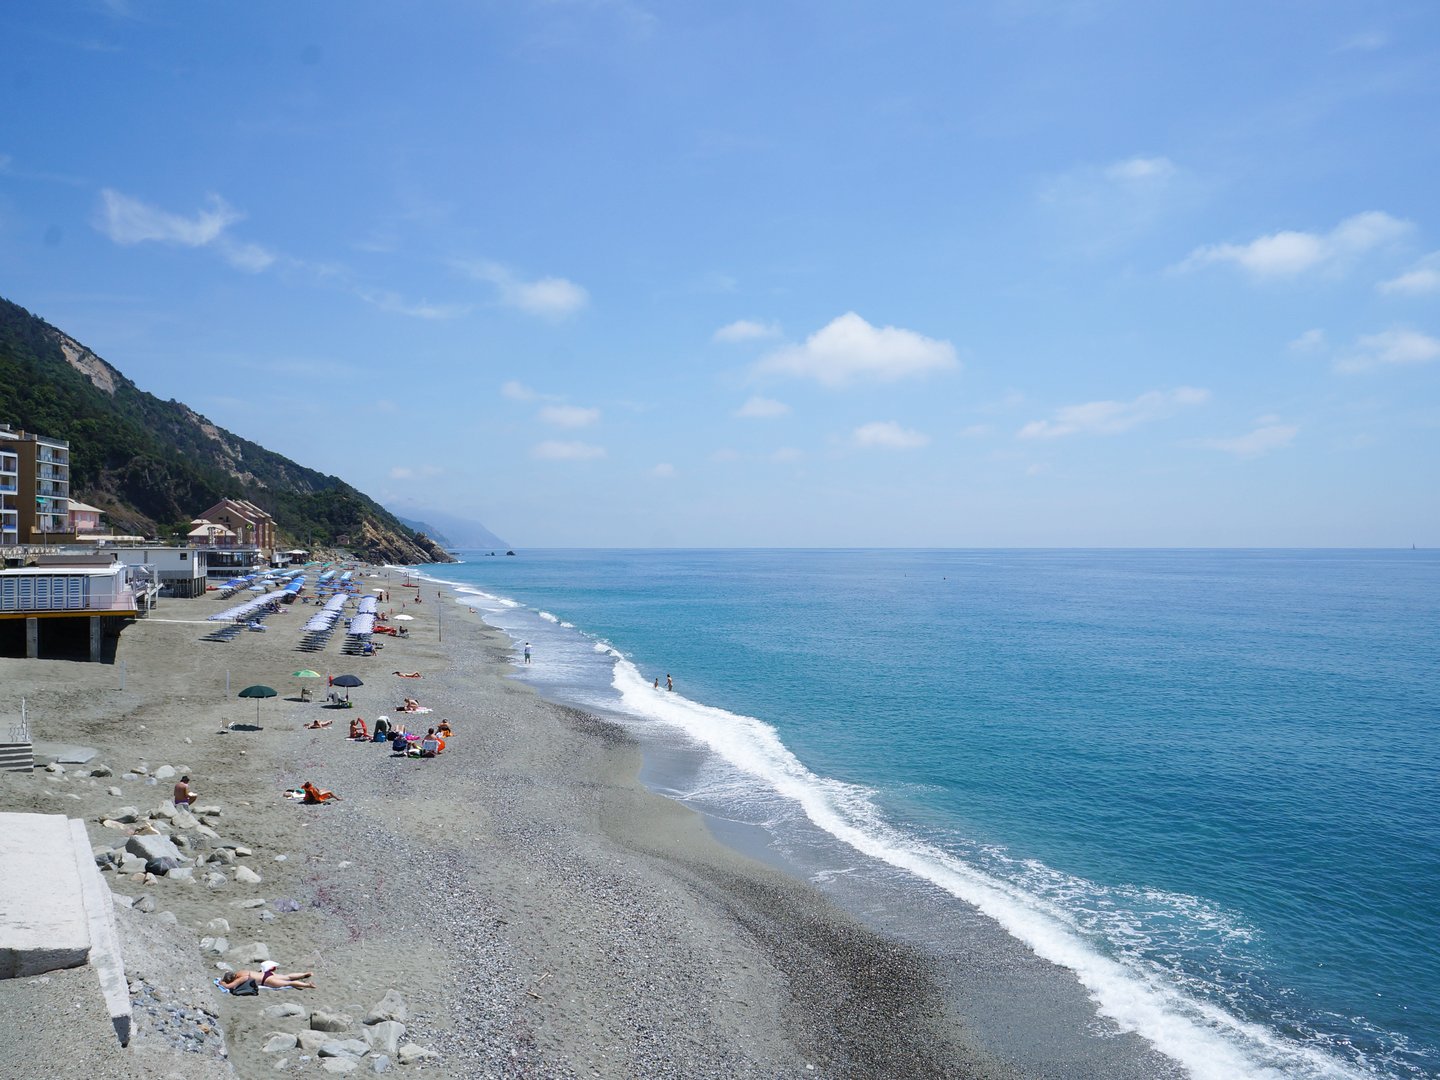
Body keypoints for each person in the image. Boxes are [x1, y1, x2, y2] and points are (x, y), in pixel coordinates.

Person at [221, 961, 314, 991]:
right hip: (267, 974)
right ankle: (305, 974)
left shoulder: (241, 978)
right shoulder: (241, 971)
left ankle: (308, 985)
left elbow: (231, 986)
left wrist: (222, 983)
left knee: (288, 983)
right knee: (288, 977)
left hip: (266, 980)